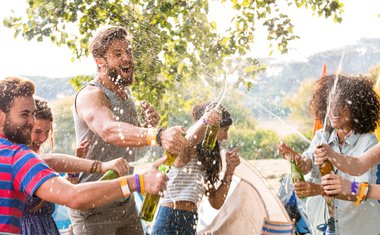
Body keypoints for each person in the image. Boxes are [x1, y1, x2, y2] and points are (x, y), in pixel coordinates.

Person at [0, 76, 168, 234]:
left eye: (32, 113)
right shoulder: (17, 157)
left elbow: (49, 161)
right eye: (24, 114)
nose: (31, 121)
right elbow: (74, 196)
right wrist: (137, 181)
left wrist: (98, 166)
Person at [69, 26, 187, 235]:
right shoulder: (91, 94)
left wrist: (146, 130)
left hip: (124, 199)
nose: (127, 58)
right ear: (100, 61)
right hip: (94, 204)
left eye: (129, 51)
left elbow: (128, 149)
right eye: (117, 54)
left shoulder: (126, 95)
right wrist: (157, 135)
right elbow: (109, 131)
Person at [279, 74, 380, 235]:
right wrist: (297, 161)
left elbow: (362, 190)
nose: (335, 110)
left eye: (342, 104)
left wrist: (318, 189)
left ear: (357, 108)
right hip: (324, 226)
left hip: (357, 228)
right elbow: (308, 164)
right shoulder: (321, 136)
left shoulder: (368, 142)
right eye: (331, 103)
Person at [150, 102, 240, 235]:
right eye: (225, 130)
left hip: (190, 220)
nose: (226, 137)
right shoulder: (186, 146)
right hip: (169, 218)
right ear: (214, 126)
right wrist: (205, 120)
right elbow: (188, 143)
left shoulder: (207, 158)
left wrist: (229, 171)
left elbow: (216, 202)